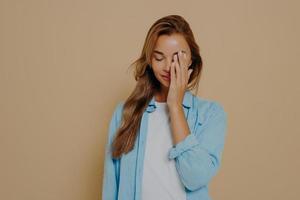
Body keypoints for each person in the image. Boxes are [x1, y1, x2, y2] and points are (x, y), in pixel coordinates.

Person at [102, 14, 228, 200]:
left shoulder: (211, 114)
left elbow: (195, 178)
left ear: (191, 59)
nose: (169, 67)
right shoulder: (125, 113)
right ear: (150, 62)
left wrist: (175, 106)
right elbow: (111, 185)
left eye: (177, 57)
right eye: (159, 58)